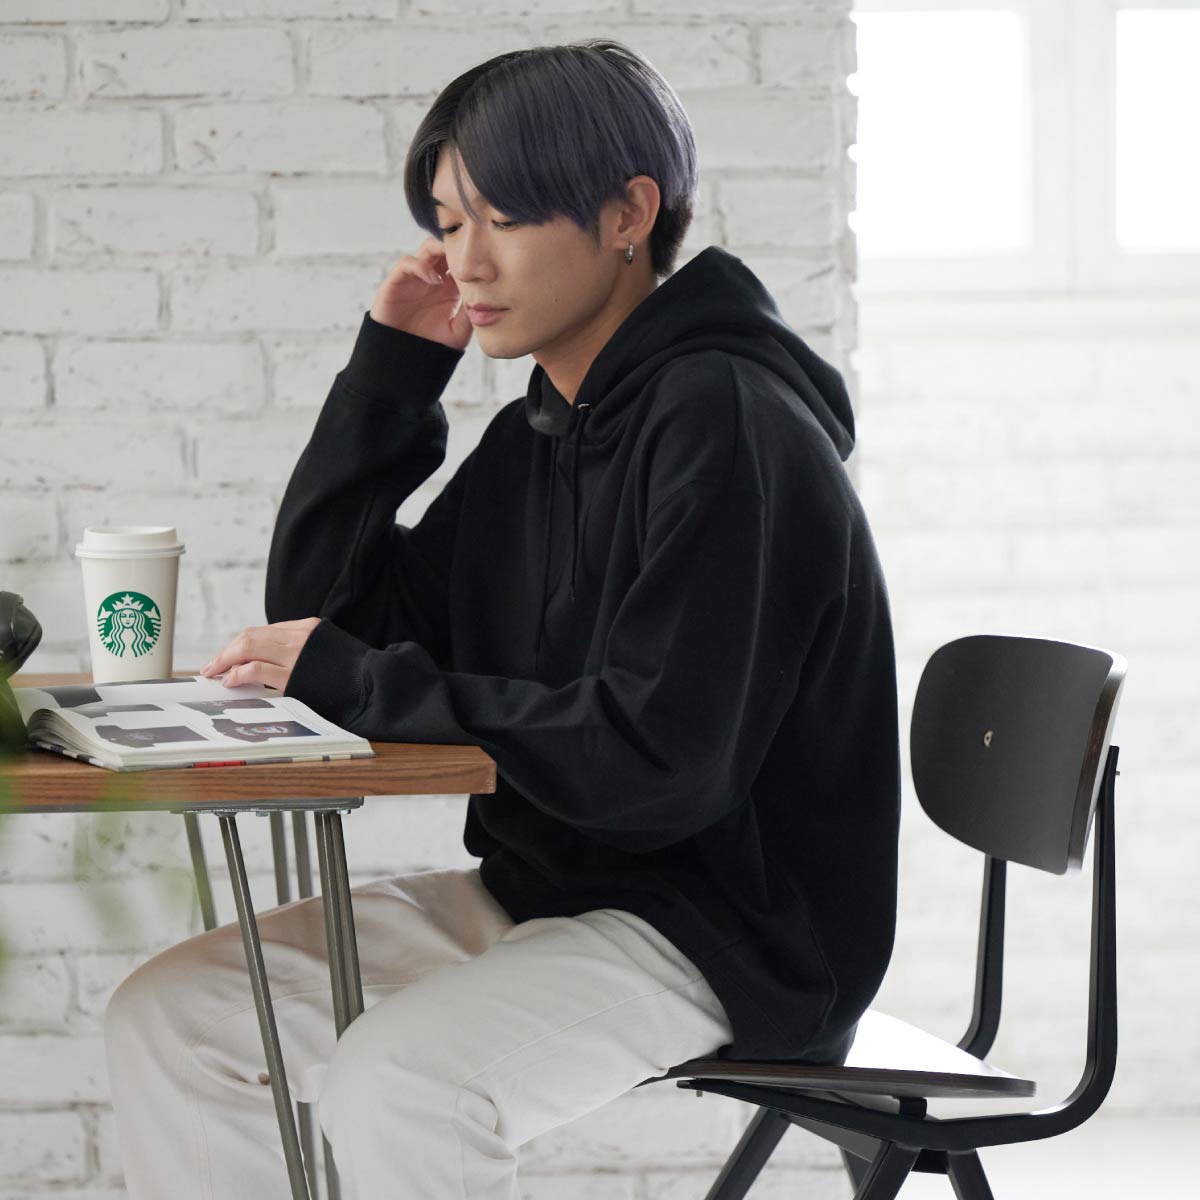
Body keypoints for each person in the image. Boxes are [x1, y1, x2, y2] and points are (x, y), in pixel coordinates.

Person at [103, 38, 902, 1199]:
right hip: (556, 889)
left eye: (505, 218)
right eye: (447, 220)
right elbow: (341, 618)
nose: (464, 260)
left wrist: (356, 679)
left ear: (629, 214)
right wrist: (393, 374)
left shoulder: (728, 426)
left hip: (729, 931)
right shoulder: (546, 427)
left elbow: (661, 760)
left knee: (400, 1083)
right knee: (175, 1017)